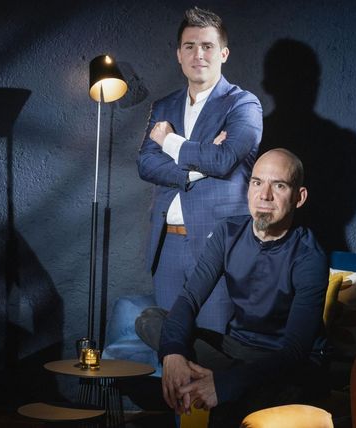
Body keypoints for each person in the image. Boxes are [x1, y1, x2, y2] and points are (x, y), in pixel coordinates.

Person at [154, 149, 328, 427]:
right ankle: (229, 380)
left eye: (279, 186)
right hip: (237, 349)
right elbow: (189, 299)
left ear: (299, 197)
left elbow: (295, 351)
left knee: (264, 391)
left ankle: (232, 386)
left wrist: (222, 385)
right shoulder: (228, 233)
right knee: (151, 320)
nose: (265, 195)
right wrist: (173, 355)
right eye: (257, 182)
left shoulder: (309, 256)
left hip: (285, 361)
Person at [137, 6, 263, 333]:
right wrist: (197, 167)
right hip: (167, 245)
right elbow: (146, 163)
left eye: (207, 46)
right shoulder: (164, 106)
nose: (198, 54)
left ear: (223, 53)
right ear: (179, 55)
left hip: (217, 245)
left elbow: (224, 160)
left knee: (211, 345)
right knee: (169, 344)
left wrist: (168, 141)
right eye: (190, 46)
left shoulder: (243, 104)